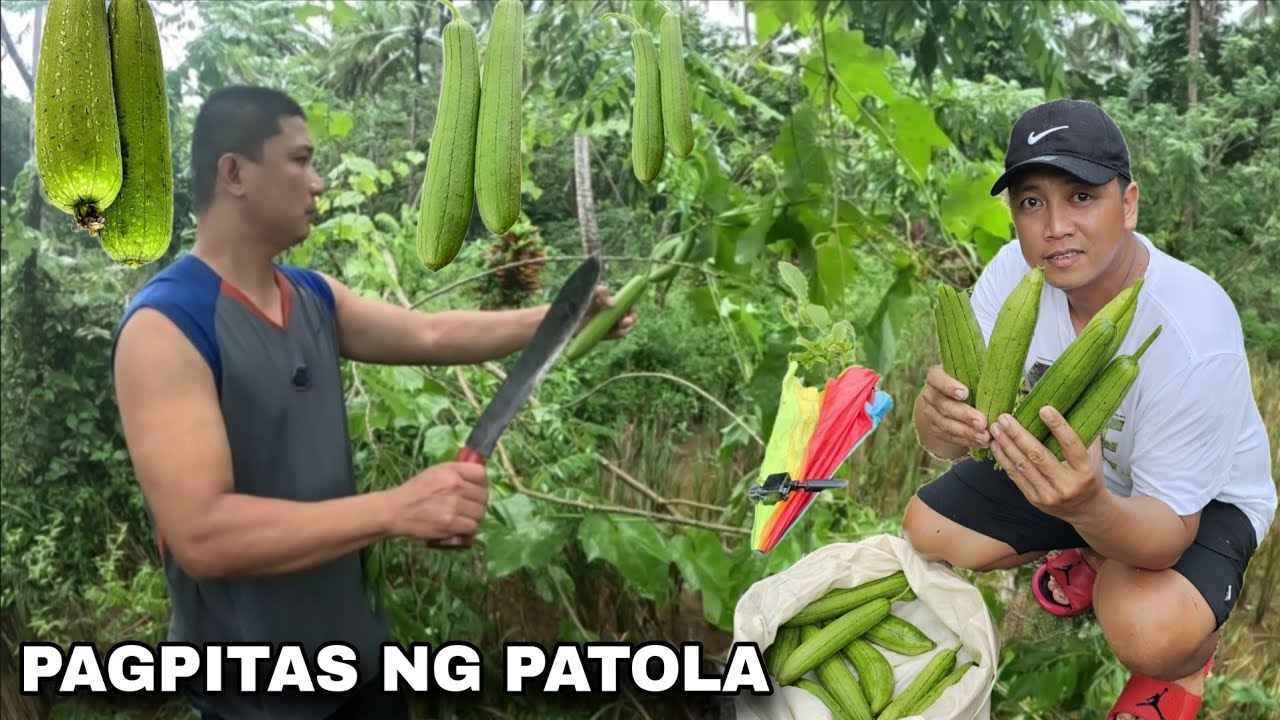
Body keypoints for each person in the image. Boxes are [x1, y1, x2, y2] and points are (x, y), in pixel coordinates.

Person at [110, 85, 637, 720]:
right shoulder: (167, 326)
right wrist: (396, 509)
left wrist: (565, 316)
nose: (319, 182)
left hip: (358, 662)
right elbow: (204, 536)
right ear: (235, 173)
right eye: (301, 160)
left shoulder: (311, 297)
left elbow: (431, 333)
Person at [902, 99, 1275, 720]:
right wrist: (934, 420)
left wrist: (1088, 509)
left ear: (1127, 203)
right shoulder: (1012, 275)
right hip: (1062, 473)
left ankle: (1187, 660)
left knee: (1144, 628)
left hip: (1194, 504)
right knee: (927, 532)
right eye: (1031, 202)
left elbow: (1162, 538)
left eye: (1081, 197)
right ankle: (1086, 546)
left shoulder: (1193, 333)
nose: (1053, 227)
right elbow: (952, 438)